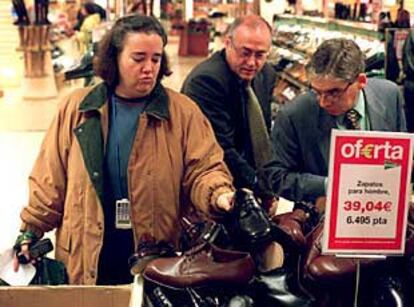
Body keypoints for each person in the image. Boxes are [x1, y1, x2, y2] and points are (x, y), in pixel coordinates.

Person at [13, 15, 235, 285]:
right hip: (87, 250)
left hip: (155, 255)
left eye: (155, 59)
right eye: (138, 58)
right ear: (115, 58)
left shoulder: (182, 113)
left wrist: (218, 193)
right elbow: (51, 179)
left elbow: (204, 168)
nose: (149, 68)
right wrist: (30, 231)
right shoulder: (77, 110)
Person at [264, 38, 406, 203]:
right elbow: (275, 177)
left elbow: (398, 158)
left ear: (361, 81)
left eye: (334, 92)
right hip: (323, 216)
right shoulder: (294, 115)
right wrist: (328, 185)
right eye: (317, 91)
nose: (324, 102)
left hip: (381, 211)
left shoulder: (389, 95)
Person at [181, 15, 277, 212]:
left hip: (250, 181)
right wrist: (259, 184)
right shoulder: (206, 81)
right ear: (227, 43)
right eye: (245, 52)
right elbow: (220, 147)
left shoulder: (266, 74)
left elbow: (262, 131)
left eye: (260, 55)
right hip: (216, 184)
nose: (252, 62)